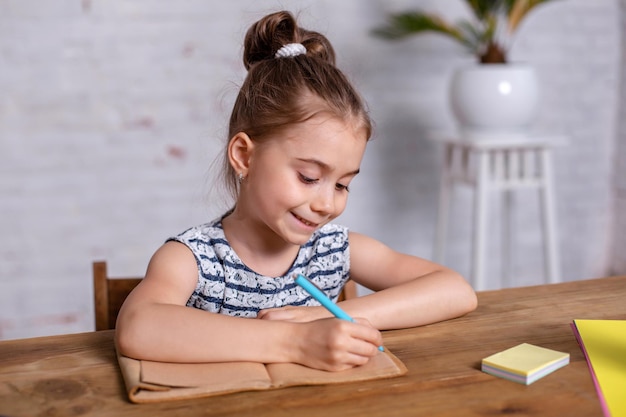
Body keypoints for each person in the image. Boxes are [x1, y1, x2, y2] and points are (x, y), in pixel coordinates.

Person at [116, 10, 477, 372]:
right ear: (245, 156)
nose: (326, 204)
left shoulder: (334, 251)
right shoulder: (193, 259)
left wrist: (317, 317)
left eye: (342, 185)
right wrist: (297, 342)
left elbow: (455, 290)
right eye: (308, 177)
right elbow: (138, 326)